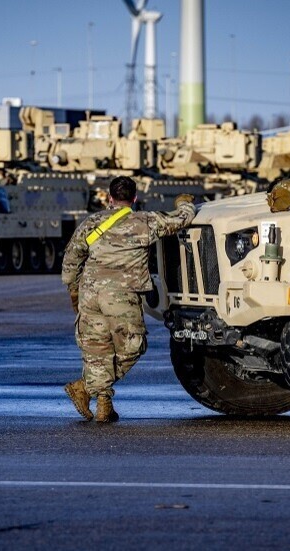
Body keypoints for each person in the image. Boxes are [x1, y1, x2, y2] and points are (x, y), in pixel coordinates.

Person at [61, 176, 196, 422]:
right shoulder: (144, 221)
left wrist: (73, 290)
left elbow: (71, 257)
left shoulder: (92, 222)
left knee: (98, 350)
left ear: (109, 198)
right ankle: (86, 388)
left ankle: (103, 404)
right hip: (121, 296)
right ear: (134, 198)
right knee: (133, 346)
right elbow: (181, 220)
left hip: (90, 294)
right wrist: (185, 203)